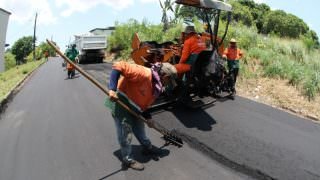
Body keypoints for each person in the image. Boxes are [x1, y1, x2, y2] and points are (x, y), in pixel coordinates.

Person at [105, 61, 177, 171]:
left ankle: (147, 147)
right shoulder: (143, 73)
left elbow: (145, 103)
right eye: (169, 81)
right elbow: (118, 65)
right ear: (165, 76)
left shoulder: (156, 88)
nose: (168, 84)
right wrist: (112, 89)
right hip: (121, 105)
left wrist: (148, 118)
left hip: (136, 108)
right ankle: (127, 160)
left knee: (140, 130)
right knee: (125, 135)